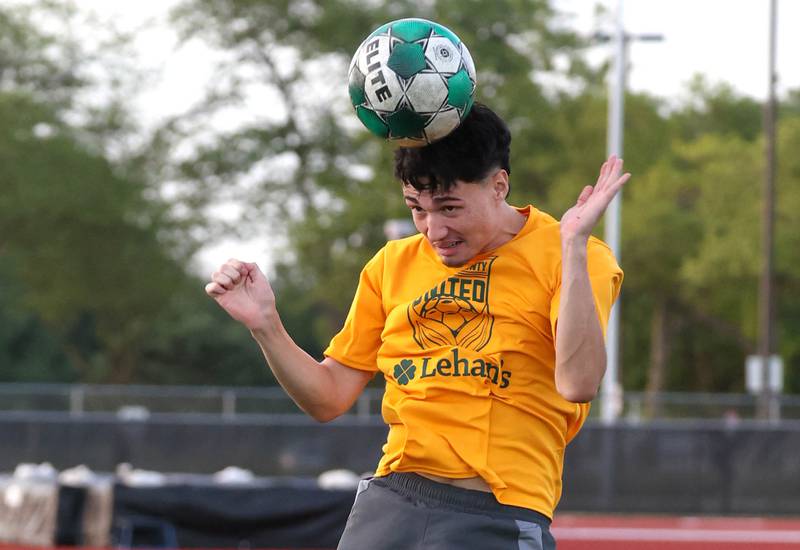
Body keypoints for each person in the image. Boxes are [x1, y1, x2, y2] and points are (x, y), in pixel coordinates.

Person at [205, 103, 628, 549]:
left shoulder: (573, 255)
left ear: (498, 185)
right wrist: (266, 325)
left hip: (496, 515)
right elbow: (327, 398)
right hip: (390, 505)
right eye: (417, 209)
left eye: (449, 208)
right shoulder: (391, 264)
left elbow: (579, 383)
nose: (434, 229)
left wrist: (574, 247)